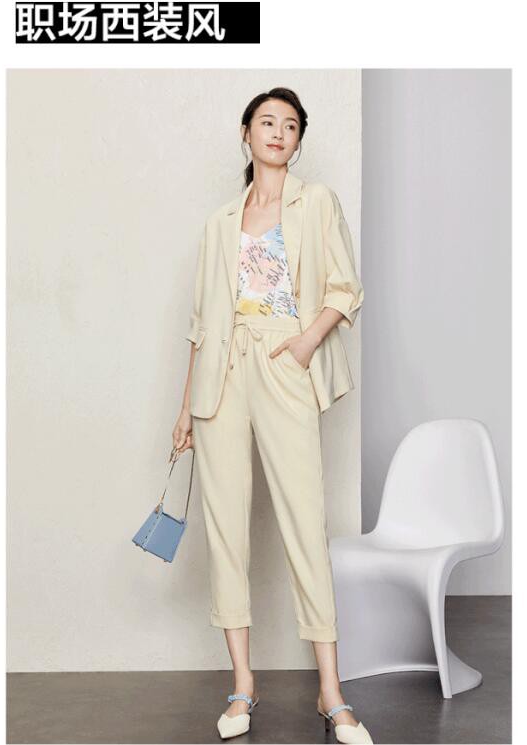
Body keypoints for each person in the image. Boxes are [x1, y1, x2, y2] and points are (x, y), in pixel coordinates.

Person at [172, 87, 372, 745]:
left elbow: (345, 287)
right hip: (221, 376)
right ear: (246, 133)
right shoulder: (219, 222)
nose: (278, 132)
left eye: (290, 125)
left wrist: (306, 343)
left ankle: (331, 692)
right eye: (267, 122)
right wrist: (186, 408)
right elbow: (201, 324)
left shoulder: (316, 203)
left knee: (304, 523)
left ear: (298, 140)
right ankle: (242, 684)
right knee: (226, 529)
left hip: (284, 361)